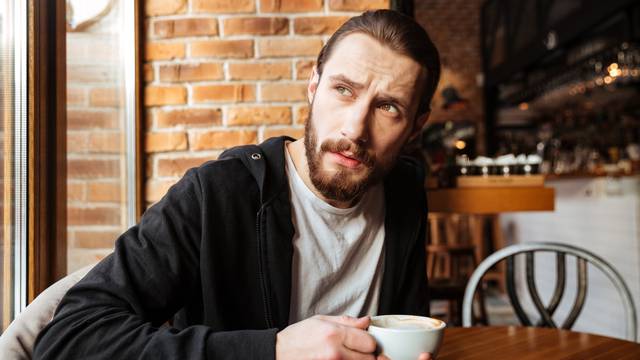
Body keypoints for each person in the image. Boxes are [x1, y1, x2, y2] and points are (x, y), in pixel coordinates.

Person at [34, 9, 440, 360]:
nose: (355, 128)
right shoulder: (215, 195)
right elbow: (68, 339)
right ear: (313, 86)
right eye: (343, 90)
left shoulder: (403, 190)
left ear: (416, 126)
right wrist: (272, 350)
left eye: (388, 107)